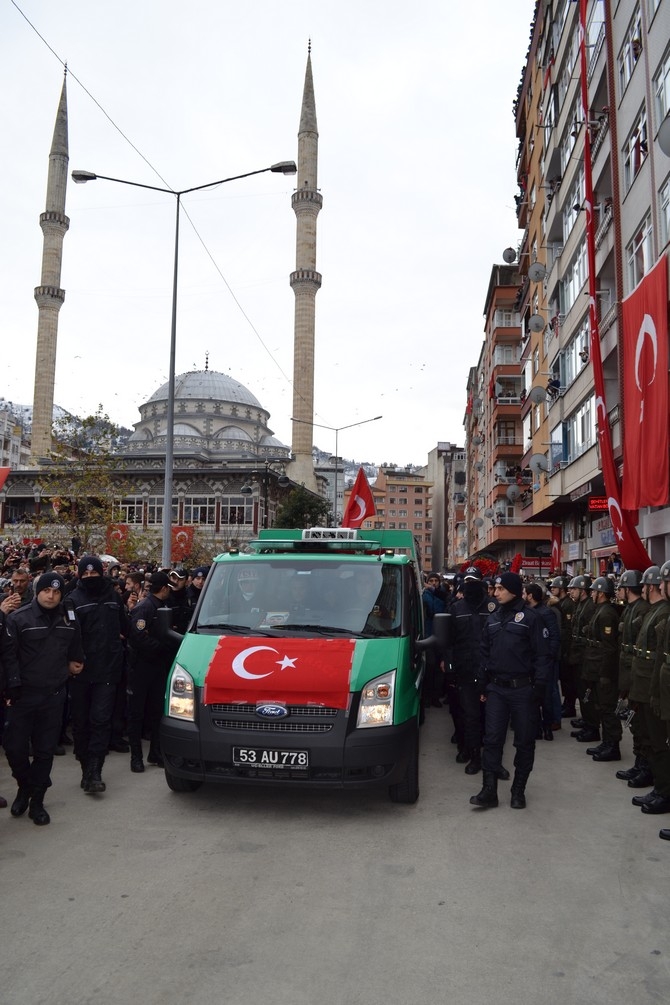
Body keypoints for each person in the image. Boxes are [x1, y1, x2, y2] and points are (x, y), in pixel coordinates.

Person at [1, 572, 84, 825]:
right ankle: (25, 785)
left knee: (45, 751)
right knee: (14, 748)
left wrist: (76, 661)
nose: (51, 596)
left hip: (54, 695)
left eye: (57, 592)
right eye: (47, 590)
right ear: (38, 592)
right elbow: (9, 656)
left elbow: (76, 646)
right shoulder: (19, 618)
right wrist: (11, 688)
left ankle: (37, 800)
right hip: (23, 696)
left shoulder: (68, 619)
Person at [470, 572, 550, 810]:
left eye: (500, 589)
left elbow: (543, 656)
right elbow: (484, 653)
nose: (495, 593)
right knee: (492, 740)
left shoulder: (531, 618)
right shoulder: (493, 619)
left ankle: (518, 790)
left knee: (524, 742)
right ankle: (489, 791)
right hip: (497, 689)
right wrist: (482, 684)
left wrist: (539, 689)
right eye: (495, 589)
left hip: (523, 690)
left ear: (513, 590)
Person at [66, 556, 129, 794]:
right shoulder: (72, 600)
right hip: (81, 672)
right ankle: (85, 767)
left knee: (101, 721)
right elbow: (68, 637)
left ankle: (95, 771)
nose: (91, 578)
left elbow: (124, 627)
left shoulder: (113, 596)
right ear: (80, 575)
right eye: (86, 575)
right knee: (81, 723)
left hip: (108, 670)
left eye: (94, 574)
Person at [446, 566, 498, 773]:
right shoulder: (456, 608)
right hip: (466, 670)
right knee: (470, 715)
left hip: (490, 671)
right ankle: (472, 753)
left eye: (475, 582)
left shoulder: (493, 607)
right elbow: (449, 641)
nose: (472, 587)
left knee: (492, 717)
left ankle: (492, 759)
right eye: (468, 583)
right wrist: (450, 666)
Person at [127, 571, 180, 773]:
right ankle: (136, 757)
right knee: (136, 714)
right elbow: (138, 637)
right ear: (164, 588)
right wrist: (161, 646)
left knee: (157, 712)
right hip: (141, 667)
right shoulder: (144, 608)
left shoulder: (162, 607)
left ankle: (155, 752)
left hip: (158, 667)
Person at [628, 566, 670, 815]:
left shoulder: (662, 613)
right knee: (652, 738)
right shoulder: (658, 612)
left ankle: (664, 791)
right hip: (651, 684)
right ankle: (661, 788)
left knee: (659, 743)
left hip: (659, 689)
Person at [614, 571, 650, 785]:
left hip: (638, 670)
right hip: (629, 668)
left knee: (641, 723)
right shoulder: (630, 609)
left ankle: (645, 766)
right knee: (636, 722)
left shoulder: (643, 610)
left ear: (628, 588)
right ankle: (640, 763)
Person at [582, 577, 621, 761]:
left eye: (594, 591)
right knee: (601, 705)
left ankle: (613, 746)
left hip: (603, 669)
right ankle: (606, 742)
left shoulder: (606, 614)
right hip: (596, 666)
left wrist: (605, 674)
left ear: (602, 593)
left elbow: (609, 648)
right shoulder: (600, 610)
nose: (591, 594)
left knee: (607, 708)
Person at [523, 582, 561, 739]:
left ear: (530, 596)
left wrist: (549, 656)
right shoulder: (527, 612)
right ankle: (537, 727)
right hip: (531, 661)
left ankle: (548, 726)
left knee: (546, 695)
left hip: (544, 661)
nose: (522, 596)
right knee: (533, 696)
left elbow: (554, 636)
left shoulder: (546, 613)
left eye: (524, 593)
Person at [566, 575, 596, 741]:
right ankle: (586, 721)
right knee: (581, 690)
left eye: (575, 589)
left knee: (587, 693)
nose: (571, 591)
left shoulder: (589, 606)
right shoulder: (579, 605)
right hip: (577, 653)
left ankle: (591, 726)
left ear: (583, 590)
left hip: (584, 655)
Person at [548, 575, 576, 717]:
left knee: (568, 680)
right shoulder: (561, 602)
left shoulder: (568, 604)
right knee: (564, 679)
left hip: (566, 646)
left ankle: (570, 706)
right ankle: (567, 704)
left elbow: (567, 629)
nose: (552, 589)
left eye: (555, 587)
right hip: (563, 646)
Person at [422, 572, 447, 708]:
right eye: (430, 580)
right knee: (429, 666)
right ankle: (427, 696)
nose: (433, 583)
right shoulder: (424, 595)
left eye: (435, 580)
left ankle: (435, 697)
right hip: (428, 634)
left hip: (441, 635)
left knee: (439, 668)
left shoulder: (443, 595)